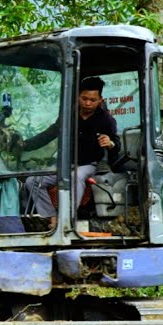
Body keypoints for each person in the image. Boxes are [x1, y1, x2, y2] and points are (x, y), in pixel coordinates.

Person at [23, 76, 121, 228]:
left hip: (90, 165)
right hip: (64, 165)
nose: (88, 103)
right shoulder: (68, 115)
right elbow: (49, 134)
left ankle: (66, 218)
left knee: (77, 176)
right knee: (33, 181)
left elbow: (116, 145)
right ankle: (52, 217)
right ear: (78, 97)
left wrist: (110, 143)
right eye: (84, 98)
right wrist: (24, 145)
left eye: (93, 100)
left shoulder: (106, 120)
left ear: (100, 100)